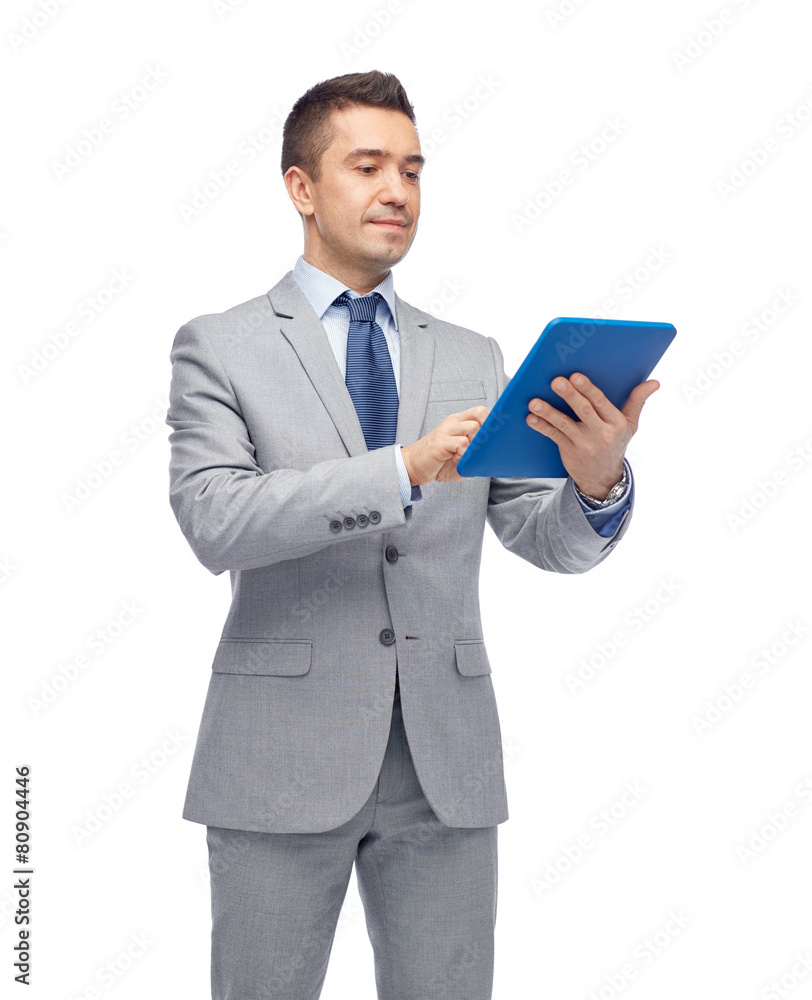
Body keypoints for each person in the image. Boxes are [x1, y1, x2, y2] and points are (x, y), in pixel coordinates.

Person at [165, 69, 659, 1000]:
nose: (399, 190)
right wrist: (401, 471)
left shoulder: (473, 354)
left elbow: (536, 531)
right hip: (279, 759)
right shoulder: (220, 345)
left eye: (414, 169)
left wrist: (598, 482)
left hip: (447, 763)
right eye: (368, 166)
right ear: (301, 188)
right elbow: (215, 519)